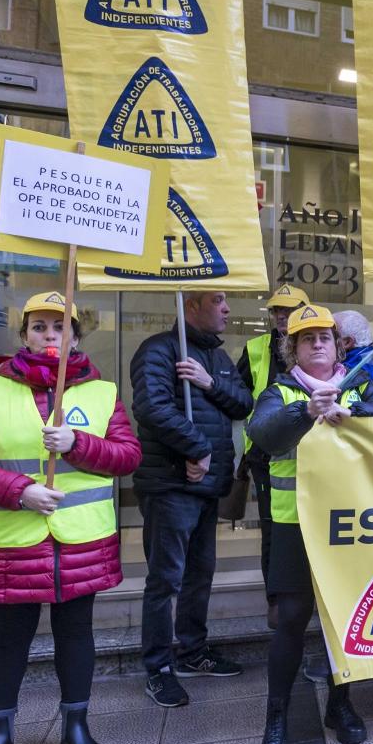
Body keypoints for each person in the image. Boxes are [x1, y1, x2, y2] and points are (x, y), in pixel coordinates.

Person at [0, 292, 141, 744]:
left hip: (82, 542)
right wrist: (20, 491)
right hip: (15, 540)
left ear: (76, 337)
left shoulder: (101, 392)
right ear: (24, 335)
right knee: (10, 639)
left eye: (60, 327)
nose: (50, 335)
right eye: (40, 327)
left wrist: (77, 443)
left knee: (76, 635)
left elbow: (128, 456)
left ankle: (76, 726)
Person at [248, 304, 373, 744]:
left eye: (324, 337)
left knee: (344, 618)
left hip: (347, 524)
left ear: (337, 346)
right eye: (307, 338)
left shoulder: (359, 387)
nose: (317, 343)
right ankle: (276, 717)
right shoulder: (280, 392)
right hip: (295, 525)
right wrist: (306, 413)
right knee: (292, 618)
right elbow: (263, 434)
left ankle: (340, 703)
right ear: (292, 349)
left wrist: (358, 418)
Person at [132, 291, 253, 707]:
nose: (227, 308)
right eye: (218, 300)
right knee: (166, 579)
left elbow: (243, 403)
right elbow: (153, 408)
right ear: (190, 305)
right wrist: (196, 448)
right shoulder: (158, 351)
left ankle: (192, 651)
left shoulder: (218, 359)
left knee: (200, 575)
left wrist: (209, 382)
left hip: (207, 487)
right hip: (171, 486)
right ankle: (158, 668)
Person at [237, 283, 308, 627]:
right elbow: (236, 398)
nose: (281, 316)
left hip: (309, 454)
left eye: (289, 310)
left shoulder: (316, 346)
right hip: (265, 455)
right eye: (277, 311)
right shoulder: (254, 349)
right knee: (273, 529)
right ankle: (276, 600)